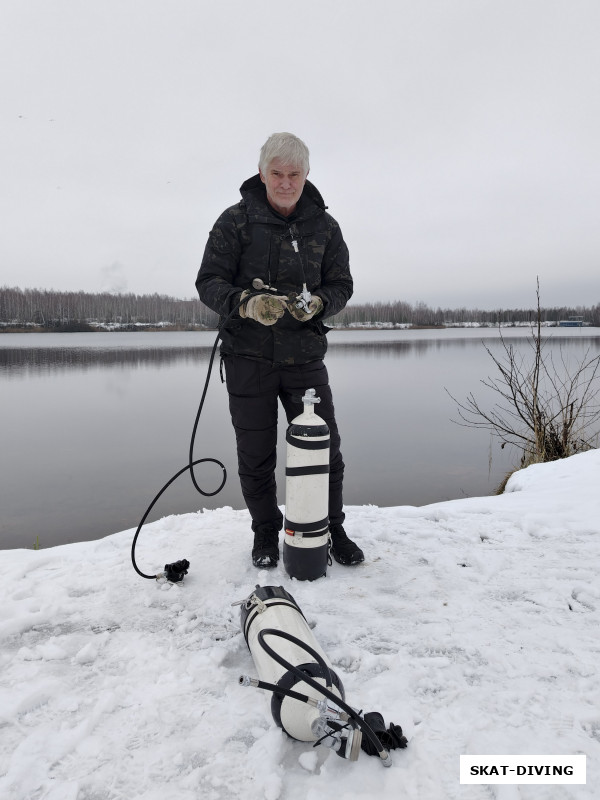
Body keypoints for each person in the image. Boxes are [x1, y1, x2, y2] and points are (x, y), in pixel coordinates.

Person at [196, 132, 364, 569]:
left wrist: (323, 302)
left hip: (304, 358)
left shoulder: (326, 227)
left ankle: (333, 528)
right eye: (277, 174)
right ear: (262, 173)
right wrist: (245, 302)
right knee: (256, 455)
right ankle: (266, 533)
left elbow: (342, 284)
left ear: (306, 175)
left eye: (294, 174)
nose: (286, 182)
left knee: (326, 449)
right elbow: (209, 282)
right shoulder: (234, 221)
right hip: (246, 358)